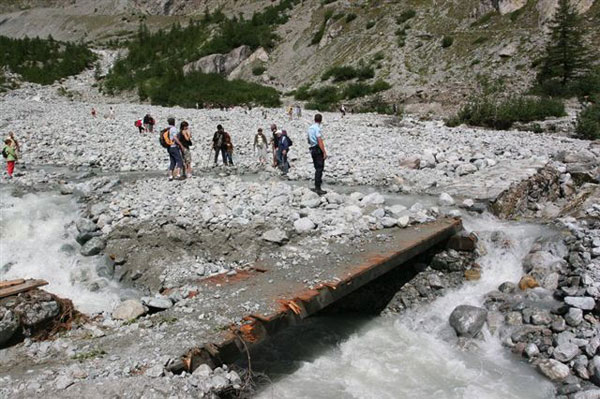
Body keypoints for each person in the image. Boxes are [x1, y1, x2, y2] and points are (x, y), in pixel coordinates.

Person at [307, 113, 327, 195]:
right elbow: (319, 140)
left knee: (316, 168)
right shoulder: (317, 128)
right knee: (320, 168)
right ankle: (318, 188)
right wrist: (324, 151)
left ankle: (316, 186)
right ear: (321, 120)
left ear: (314, 119)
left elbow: (308, 139)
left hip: (312, 148)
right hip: (317, 149)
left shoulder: (310, 128)